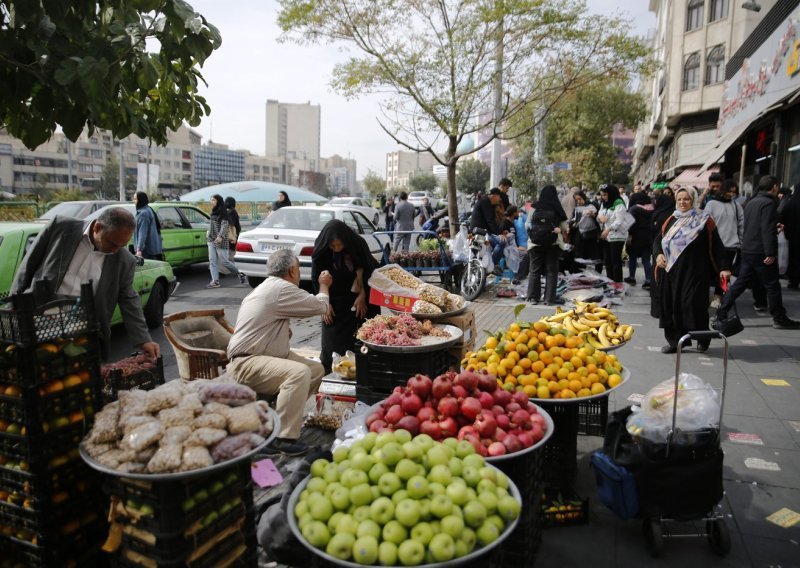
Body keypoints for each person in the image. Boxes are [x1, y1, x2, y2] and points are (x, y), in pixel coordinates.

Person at [12, 208, 160, 360]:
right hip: (40, 320)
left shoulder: (125, 261)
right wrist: (14, 304)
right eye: (112, 243)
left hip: (83, 332)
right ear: (97, 227)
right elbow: (29, 264)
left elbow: (129, 299)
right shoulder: (61, 227)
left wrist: (143, 340)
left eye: (122, 245)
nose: (115, 250)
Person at [227, 249, 333, 455]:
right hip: (247, 362)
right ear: (292, 270)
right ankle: (281, 438)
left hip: (262, 356)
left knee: (315, 369)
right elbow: (320, 306)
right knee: (299, 373)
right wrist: (324, 285)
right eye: (299, 269)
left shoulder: (267, 288)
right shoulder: (281, 288)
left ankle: (275, 418)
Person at [716, 176, 800, 330]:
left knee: (740, 283)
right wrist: (770, 252)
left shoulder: (751, 202)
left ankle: (722, 310)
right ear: (774, 187)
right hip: (761, 251)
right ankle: (779, 317)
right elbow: (766, 229)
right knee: (772, 285)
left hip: (748, 249)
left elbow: (756, 226)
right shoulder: (768, 203)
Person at [654, 187, 730, 353]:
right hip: (671, 272)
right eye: (679, 199)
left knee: (693, 305)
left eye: (686, 199)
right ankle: (676, 342)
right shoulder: (671, 219)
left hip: (695, 272)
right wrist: (658, 255)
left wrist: (724, 267)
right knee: (672, 306)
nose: (682, 202)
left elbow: (717, 245)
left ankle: (702, 338)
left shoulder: (704, 220)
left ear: (693, 200)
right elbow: (658, 241)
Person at [311, 220, 381, 373]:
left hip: (359, 298)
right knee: (333, 339)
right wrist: (325, 304)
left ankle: (362, 370)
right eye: (332, 246)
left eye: (340, 246)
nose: (336, 249)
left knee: (361, 338)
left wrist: (363, 295)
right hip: (334, 299)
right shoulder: (322, 249)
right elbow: (316, 278)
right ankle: (332, 369)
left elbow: (370, 272)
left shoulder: (358, 244)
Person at [525, 185, 568, 305]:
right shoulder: (557, 208)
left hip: (535, 243)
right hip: (553, 244)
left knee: (534, 270)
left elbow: (527, 224)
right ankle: (549, 299)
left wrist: (535, 234)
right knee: (551, 271)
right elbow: (564, 227)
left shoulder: (534, 207)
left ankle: (533, 298)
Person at [704, 180, 744, 308]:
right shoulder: (712, 204)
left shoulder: (736, 205)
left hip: (731, 245)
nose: (731, 194)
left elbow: (741, 225)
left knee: (725, 274)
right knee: (708, 271)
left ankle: (718, 296)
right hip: (714, 245)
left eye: (734, 192)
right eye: (729, 191)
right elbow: (705, 223)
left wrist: (741, 243)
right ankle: (704, 296)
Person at [206, 194, 246, 289]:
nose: (212, 202)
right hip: (211, 240)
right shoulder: (213, 212)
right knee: (212, 261)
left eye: (213, 200)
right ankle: (215, 281)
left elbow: (225, 226)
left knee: (224, 261)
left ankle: (239, 274)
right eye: (211, 200)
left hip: (221, 241)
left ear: (218, 201)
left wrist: (220, 236)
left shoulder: (223, 213)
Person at [597, 184, 628, 283]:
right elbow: (599, 214)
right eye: (602, 195)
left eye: (605, 195)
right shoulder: (604, 203)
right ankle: (610, 283)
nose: (603, 197)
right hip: (606, 237)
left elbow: (619, 220)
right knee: (608, 262)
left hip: (617, 236)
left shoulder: (618, 202)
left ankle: (618, 285)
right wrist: (600, 217)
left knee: (615, 262)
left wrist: (608, 229)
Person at [470, 187, 506, 267]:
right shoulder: (485, 202)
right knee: (501, 242)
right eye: (499, 197)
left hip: (485, 233)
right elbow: (490, 221)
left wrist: (500, 232)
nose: (500, 200)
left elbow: (491, 222)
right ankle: (493, 264)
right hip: (479, 233)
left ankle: (490, 264)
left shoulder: (489, 204)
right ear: (495, 195)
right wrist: (498, 234)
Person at [625, 192, 654, 288]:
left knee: (632, 258)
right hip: (648, 237)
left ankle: (632, 277)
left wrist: (629, 234)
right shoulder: (652, 208)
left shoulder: (634, 209)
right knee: (646, 259)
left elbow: (630, 223)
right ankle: (649, 280)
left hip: (635, 236)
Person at [571, 192, 600, 264]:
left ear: (583, 197)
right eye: (576, 200)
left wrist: (593, 215)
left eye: (579, 199)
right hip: (580, 234)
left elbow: (599, 218)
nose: (578, 201)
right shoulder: (577, 208)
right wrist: (573, 223)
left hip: (591, 234)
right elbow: (574, 219)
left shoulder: (592, 205)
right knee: (580, 257)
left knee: (593, 257)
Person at [133, 191, 163, 260]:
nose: (133, 201)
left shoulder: (143, 213)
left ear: (141, 200)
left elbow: (142, 233)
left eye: (135, 199)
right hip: (152, 248)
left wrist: (139, 250)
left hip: (146, 250)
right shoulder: (148, 209)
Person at [782, 186, 800, 289]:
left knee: (793, 258)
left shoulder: (790, 203)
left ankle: (794, 281)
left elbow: (783, 217)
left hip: (793, 237)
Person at [225, 196, 241, 265]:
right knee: (231, 253)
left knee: (228, 253)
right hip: (231, 235)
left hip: (228, 235)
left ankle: (226, 269)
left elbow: (231, 225)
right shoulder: (232, 212)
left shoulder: (229, 212)